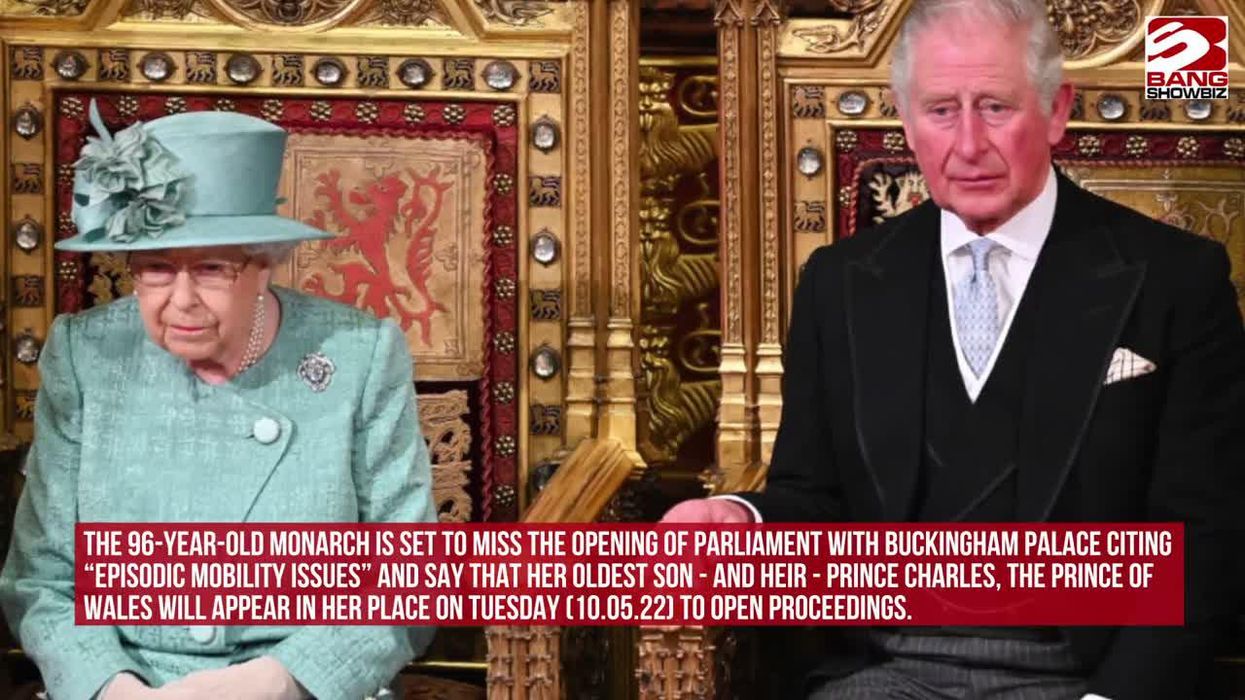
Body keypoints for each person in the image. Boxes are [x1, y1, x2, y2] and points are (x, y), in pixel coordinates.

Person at [664, 0, 1245, 697]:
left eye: (995, 107)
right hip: (883, 672)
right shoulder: (840, 283)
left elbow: (1207, 530)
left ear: (1056, 111)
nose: (967, 144)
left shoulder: (1176, 278)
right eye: (940, 110)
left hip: (1085, 675)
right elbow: (814, 497)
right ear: (905, 121)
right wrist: (742, 517)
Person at [0, 102, 437, 699]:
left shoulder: (359, 355)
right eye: (155, 269)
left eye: (210, 269)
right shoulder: (86, 355)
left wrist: (279, 681)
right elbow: (43, 578)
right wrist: (109, 687)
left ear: (264, 265)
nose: (180, 300)